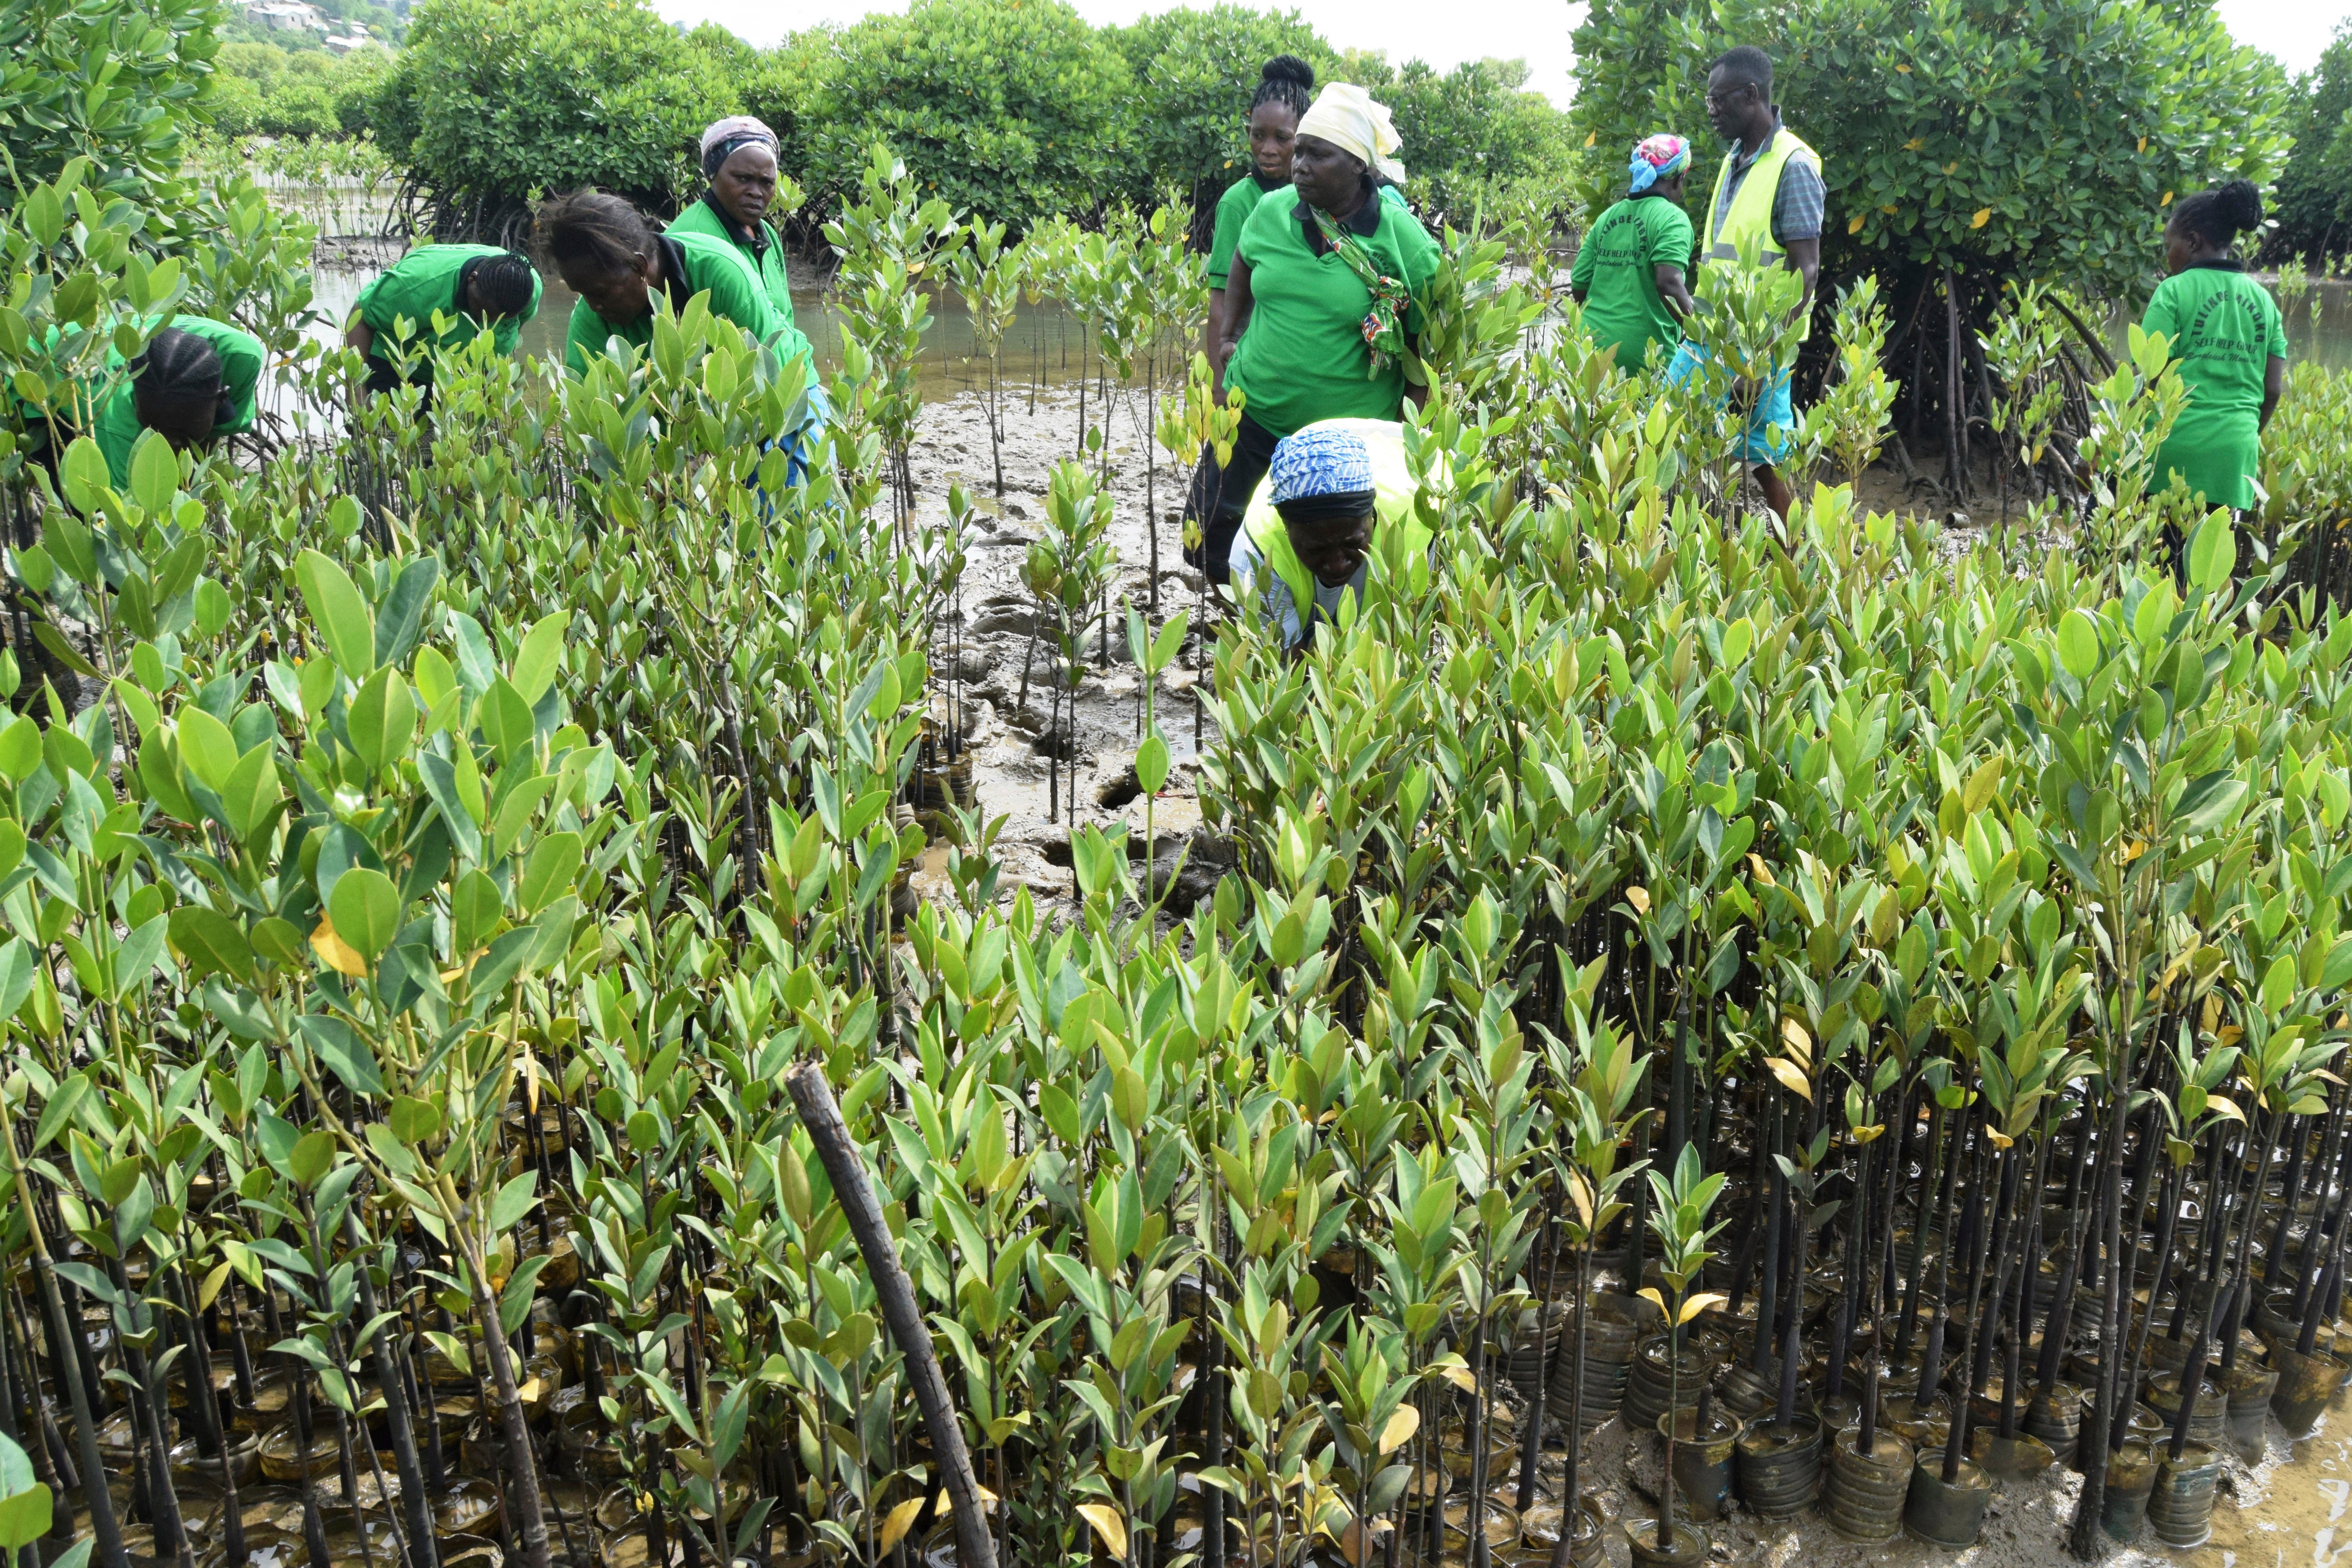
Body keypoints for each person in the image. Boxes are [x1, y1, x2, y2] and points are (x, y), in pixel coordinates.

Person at [1191, 82, 1440, 588]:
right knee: (1209, 535)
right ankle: (1239, 629)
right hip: (1254, 413)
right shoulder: (1271, 210)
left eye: (1316, 153)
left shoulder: (1404, 240)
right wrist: (1228, 337)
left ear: (1358, 166)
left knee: (1328, 555)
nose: (1298, 163)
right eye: (1298, 151)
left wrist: (1408, 434)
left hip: (1343, 444)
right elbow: (1241, 262)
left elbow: (1427, 348)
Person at [1667, 44, 1824, 520]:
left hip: (1761, 345)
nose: (1711, 112)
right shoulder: (1734, 158)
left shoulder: (1793, 164)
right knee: (1666, 424)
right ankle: (1667, 544)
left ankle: (1794, 559)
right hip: (1711, 336)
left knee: (1765, 460)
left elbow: (1807, 270)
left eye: (1719, 101)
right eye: (1708, 101)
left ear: (1751, 95)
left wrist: (1758, 361)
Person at [1228, 419, 1437, 655]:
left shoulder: (1423, 525)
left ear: (1372, 514)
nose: (1337, 565)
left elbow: (1413, 643)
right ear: (1286, 525)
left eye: (1353, 543)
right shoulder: (1256, 550)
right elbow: (1285, 666)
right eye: (1316, 549)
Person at [2141, 180, 2286, 514]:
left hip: (2171, 452)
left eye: (2168, 246)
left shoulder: (2173, 291)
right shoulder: (2264, 302)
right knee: (2205, 565)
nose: (2167, 257)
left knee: (2147, 560)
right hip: (2233, 458)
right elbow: (2273, 389)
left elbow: (2149, 377)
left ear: (2192, 241)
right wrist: (2241, 434)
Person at [667, 115, 817, 370]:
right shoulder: (693, 238)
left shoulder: (765, 233)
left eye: (766, 182)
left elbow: (784, 319)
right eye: (742, 178)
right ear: (713, 175)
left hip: (781, 370)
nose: (756, 192)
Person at [1205, 56, 1317, 383]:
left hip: (1300, 370)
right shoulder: (1238, 202)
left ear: (1304, 135)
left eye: (1282, 138)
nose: (1267, 149)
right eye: (1258, 136)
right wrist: (1219, 389)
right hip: (1251, 371)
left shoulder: (1318, 199)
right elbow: (1219, 306)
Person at [82, 320, 264, 488]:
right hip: (60, 372)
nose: (170, 443)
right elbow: (129, 504)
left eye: (182, 430)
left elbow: (218, 430)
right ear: (135, 399)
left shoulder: (242, 357)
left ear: (221, 398)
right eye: (152, 427)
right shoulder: (120, 424)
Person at [1571, 134, 1698, 374]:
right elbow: (1669, 282)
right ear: (1678, 179)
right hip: (1643, 359)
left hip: (1588, 352)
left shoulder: (1606, 218)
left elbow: (1579, 283)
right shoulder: (1673, 219)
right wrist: (1702, 335)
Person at [344, 245, 541, 395]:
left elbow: (512, 335)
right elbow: (360, 317)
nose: (488, 324)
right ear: (472, 280)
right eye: (484, 313)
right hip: (399, 363)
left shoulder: (527, 289)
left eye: (503, 319)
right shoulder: (416, 286)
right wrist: (356, 396)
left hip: (460, 375)